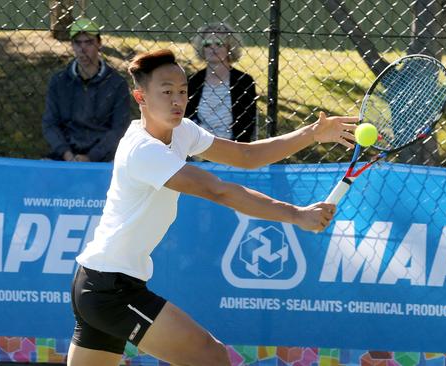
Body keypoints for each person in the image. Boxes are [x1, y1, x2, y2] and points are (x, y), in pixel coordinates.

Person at [67, 49, 358, 366]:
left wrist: (312, 133)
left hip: (96, 285)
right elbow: (218, 191)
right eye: (166, 92)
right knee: (212, 357)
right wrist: (297, 215)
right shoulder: (143, 151)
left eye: (182, 91)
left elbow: (247, 157)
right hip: (112, 291)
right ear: (141, 97)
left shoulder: (182, 131)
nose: (177, 100)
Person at [42, 17, 131, 162]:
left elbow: (119, 129)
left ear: (99, 44)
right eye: (77, 43)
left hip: (103, 156)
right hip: (66, 154)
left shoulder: (117, 83)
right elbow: (50, 124)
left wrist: (91, 157)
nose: (83, 49)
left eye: (89, 42)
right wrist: (66, 153)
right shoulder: (58, 81)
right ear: (72, 45)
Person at [185, 22, 257, 142]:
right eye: (207, 44)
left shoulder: (244, 81)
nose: (213, 47)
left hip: (233, 148)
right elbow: (186, 119)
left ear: (230, 47)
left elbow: (247, 125)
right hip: (197, 146)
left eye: (218, 43)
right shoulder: (192, 81)